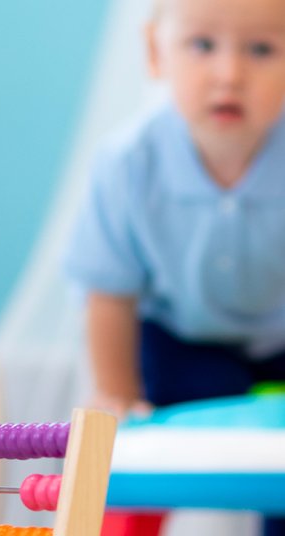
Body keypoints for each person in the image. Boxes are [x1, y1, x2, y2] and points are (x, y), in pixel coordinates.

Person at [65, 0, 285, 533]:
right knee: (144, 440)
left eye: (261, 49)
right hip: (179, 336)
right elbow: (109, 292)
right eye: (202, 45)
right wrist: (117, 390)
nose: (229, 75)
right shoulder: (128, 162)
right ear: (155, 52)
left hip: (278, 338)